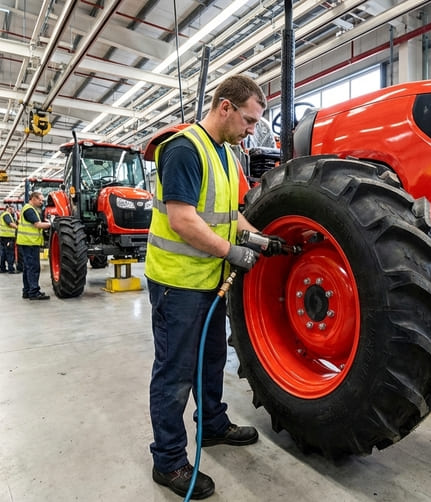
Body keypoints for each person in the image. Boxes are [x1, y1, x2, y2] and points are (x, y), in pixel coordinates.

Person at [145, 75, 283, 500]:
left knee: (211, 358)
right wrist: (231, 252)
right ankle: (168, 461)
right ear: (225, 107)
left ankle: (212, 424)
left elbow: (226, 214)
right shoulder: (184, 149)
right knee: (174, 373)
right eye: (249, 120)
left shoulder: (226, 154)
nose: (251, 130)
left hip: (206, 281)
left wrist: (257, 238)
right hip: (176, 283)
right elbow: (184, 220)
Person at [17, 191, 51, 300]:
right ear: (33, 199)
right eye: (40, 200)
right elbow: (37, 225)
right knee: (33, 268)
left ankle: (27, 291)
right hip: (29, 243)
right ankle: (34, 292)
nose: (42, 202)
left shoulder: (29, 209)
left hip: (27, 242)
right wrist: (51, 224)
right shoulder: (29, 210)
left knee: (27, 268)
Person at [0, 205, 18, 274]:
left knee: (3, 254)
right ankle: (11, 269)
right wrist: (18, 227)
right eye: (13, 209)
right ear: (10, 209)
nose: (14, 211)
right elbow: (9, 223)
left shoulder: (3, 214)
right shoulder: (7, 214)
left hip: (3, 237)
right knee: (10, 253)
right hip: (8, 237)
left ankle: (2, 268)